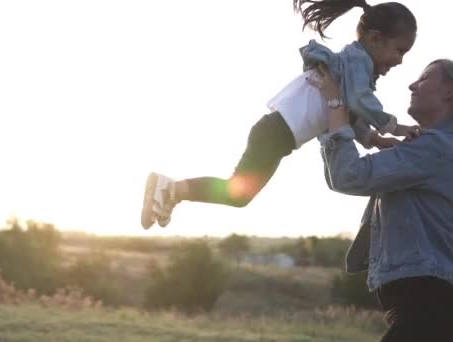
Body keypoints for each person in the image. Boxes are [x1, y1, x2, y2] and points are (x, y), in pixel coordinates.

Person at [141, 0, 419, 229]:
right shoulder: (357, 63)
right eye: (400, 50)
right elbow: (360, 100)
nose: (400, 60)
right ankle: (169, 189)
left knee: (238, 193)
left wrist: (373, 139)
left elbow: (348, 113)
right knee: (237, 193)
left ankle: (171, 192)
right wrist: (393, 127)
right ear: (375, 39)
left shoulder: (351, 67)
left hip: (275, 133)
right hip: (276, 133)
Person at [314, 59, 453, 341]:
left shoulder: (435, 147)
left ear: (450, 91)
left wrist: (333, 105)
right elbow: (342, 179)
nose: (412, 84)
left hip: (430, 304)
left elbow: (348, 176)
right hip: (426, 304)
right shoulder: (428, 148)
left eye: (424, 78)